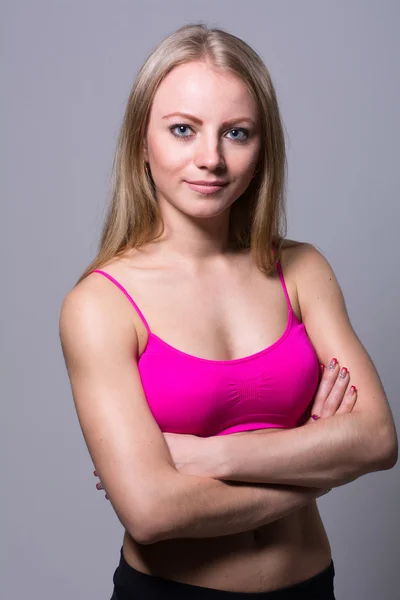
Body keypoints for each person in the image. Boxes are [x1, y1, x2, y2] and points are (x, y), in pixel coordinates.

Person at [59, 22, 398, 600]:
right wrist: (319, 469)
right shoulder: (99, 304)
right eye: (183, 130)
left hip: (311, 587)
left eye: (236, 133)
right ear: (142, 141)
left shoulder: (303, 270)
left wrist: (203, 456)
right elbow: (152, 513)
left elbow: (377, 440)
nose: (210, 158)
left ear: (263, 147)